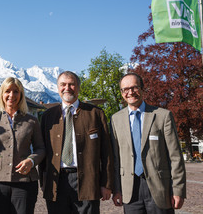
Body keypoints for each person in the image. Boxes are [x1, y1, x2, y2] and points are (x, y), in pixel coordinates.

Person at [39, 71, 113, 214]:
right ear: (57, 87)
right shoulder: (48, 116)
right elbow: (43, 150)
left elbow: (106, 152)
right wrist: (44, 183)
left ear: (78, 87)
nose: (67, 88)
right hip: (57, 181)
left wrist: (106, 183)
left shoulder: (95, 113)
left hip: (88, 181)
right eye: (63, 84)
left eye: (71, 84)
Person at [111, 73, 186, 213]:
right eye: (125, 89)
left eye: (134, 87)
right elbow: (116, 158)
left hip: (160, 188)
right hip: (130, 190)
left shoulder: (163, 116)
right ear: (121, 93)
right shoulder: (115, 119)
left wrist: (178, 190)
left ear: (143, 89)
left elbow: (175, 157)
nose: (130, 92)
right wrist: (116, 189)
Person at [0, 77, 45, 214]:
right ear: (2, 94)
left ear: (21, 94)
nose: (11, 95)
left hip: (25, 182)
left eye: (16, 91)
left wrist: (31, 160)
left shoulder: (32, 121)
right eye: (7, 91)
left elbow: (41, 148)